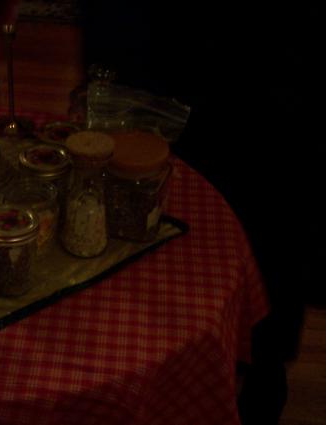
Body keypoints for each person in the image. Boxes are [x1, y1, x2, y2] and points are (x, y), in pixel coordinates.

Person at [83, 1, 320, 423]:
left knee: (267, 219)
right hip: (162, 63)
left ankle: (256, 369)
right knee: (150, 223)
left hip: (264, 79)